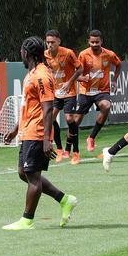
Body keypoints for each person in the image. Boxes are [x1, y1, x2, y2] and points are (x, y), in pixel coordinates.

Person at [2, 36, 78, 230]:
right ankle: (64, 199)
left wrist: (46, 139)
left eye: (22, 50)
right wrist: (16, 129)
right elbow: (28, 105)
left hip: (37, 132)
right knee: (24, 173)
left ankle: (27, 220)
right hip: (27, 130)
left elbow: (47, 108)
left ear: (27, 53)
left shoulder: (42, 75)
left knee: (33, 177)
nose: (20, 53)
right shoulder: (32, 73)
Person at [72, 30, 121, 154]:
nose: (94, 44)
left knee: (106, 106)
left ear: (101, 41)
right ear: (88, 42)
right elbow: (76, 74)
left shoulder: (109, 54)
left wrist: (114, 81)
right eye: (92, 42)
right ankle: (71, 149)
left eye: (97, 42)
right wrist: (82, 78)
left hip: (102, 90)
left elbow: (118, 64)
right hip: (85, 91)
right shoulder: (83, 55)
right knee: (75, 121)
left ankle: (91, 137)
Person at [43, 30, 81, 162]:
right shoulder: (45, 55)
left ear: (59, 41)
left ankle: (75, 151)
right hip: (55, 92)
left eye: (52, 42)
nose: (50, 45)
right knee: (50, 118)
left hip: (69, 92)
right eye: (48, 42)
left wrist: (70, 82)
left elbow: (80, 69)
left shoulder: (68, 53)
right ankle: (59, 149)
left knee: (69, 118)